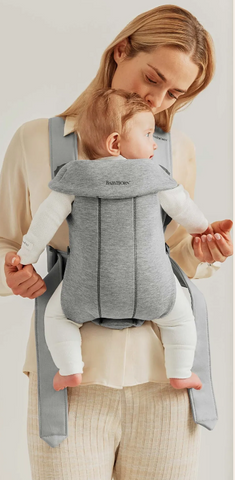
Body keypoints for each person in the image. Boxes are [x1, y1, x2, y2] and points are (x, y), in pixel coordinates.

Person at [0, 5, 233, 479]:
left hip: (164, 379)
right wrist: (11, 271)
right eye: (151, 77)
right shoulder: (34, 140)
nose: (157, 99)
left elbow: (174, 252)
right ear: (121, 51)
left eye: (173, 92)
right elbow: (1, 239)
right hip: (67, 381)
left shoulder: (174, 151)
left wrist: (203, 255)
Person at [15, 87, 209, 393]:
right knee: (180, 315)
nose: (154, 145)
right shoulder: (154, 176)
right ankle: (181, 371)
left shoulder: (74, 178)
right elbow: (185, 209)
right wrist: (205, 229)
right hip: (153, 284)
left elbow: (44, 222)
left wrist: (25, 258)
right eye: (147, 134)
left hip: (86, 285)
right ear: (115, 142)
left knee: (55, 316)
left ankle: (69, 370)